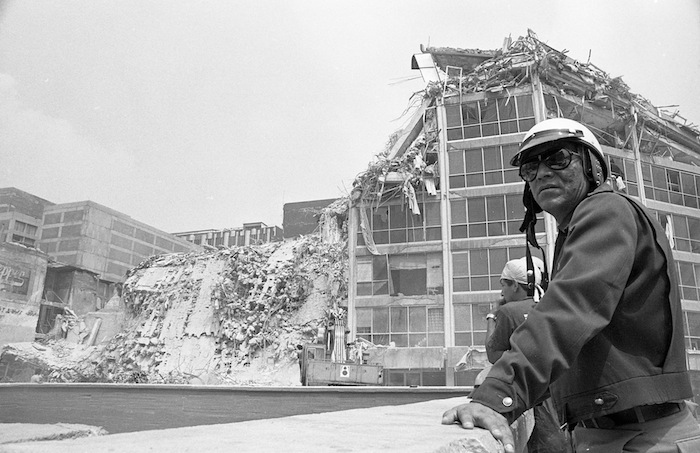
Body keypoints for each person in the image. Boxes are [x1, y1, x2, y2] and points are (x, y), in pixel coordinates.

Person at [442, 118, 700, 452]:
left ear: (593, 166)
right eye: (530, 167)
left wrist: (496, 396)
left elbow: (569, 311)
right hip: (616, 431)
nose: (543, 173)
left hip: (640, 435)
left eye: (558, 158)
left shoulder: (605, 210)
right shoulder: (581, 228)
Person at [484, 257, 569, 453]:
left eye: (503, 285)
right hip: (557, 392)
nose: (501, 291)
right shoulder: (550, 305)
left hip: (530, 394)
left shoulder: (508, 311)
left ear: (515, 286)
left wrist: (492, 314)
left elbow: (492, 354)